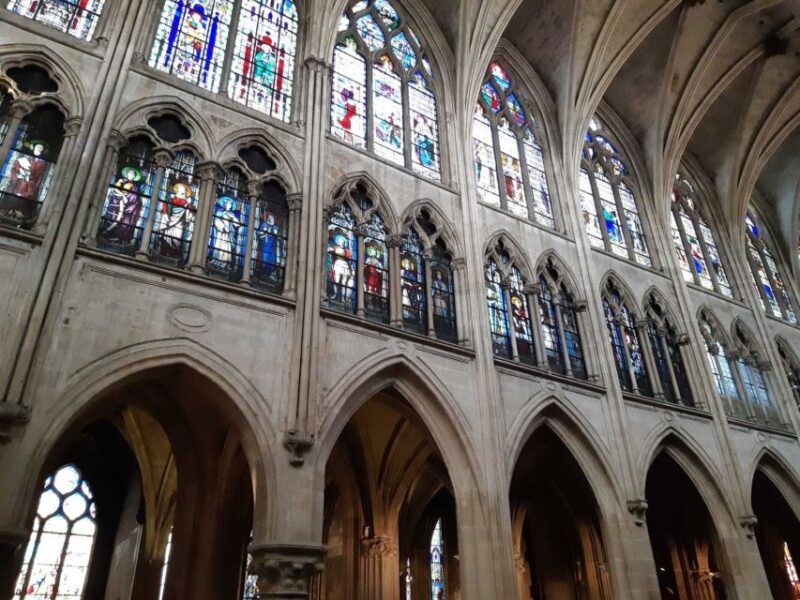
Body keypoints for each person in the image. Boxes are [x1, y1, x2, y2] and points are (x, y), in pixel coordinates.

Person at [0, 139, 50, 221]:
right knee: (13, 198)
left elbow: (39, 178)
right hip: (17, 184)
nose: (39, 149)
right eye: (38, 147)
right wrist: (19, 172)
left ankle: (20, 214)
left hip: (29, 187)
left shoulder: (42, 163)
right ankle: (7, 210)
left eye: (41, 148)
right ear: (33, 147)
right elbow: (14, 169)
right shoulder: (23, 158)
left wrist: (30, 177)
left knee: (24, 200)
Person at [101, 165, 144, 245]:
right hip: (118, 201)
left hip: (130, 207)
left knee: (127, 222)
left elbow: (137, 197)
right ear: (127, 174)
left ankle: (120, 238)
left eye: (134, 174)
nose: (133, 175)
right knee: (115, 219)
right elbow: (115, 189)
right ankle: (107, 234)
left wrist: (138, 204)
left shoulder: (136, 186)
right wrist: (123, 196)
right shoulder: (121, 181)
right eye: (131, 174)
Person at [154, 181, 196, 260]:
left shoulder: (187, 201)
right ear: (177, 191)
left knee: (177, 237)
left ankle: (175, 253)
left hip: (179, 223)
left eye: (184, 190)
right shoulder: (171, 198)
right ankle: (164, 251)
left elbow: (192, 211)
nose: (182, 192)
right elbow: (165, 205)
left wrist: (189, 204)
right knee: (167, 236)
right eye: (180, 190)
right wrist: (165, 214)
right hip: (170, 220)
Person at [208, 195, 242, 271]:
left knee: (227, 248)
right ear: (225, 204)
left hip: (228, 234)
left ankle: (226, 264)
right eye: (229, 204)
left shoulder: (232, 214)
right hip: (221, 233)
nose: (230, 205)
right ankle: (216, 261)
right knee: (219, 246)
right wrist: (223, 227)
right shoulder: (220, 212)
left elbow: (237, 223)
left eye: (231, 204)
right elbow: (216, 220)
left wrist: (235, 220)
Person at [328, 231, 353, 304]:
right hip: (338, 264)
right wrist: (330, 249)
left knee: (344, 282)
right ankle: (335, 294)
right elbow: (330, 250)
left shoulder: (346, 251)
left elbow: (350, 258)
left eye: (344, 242)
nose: (343, 243)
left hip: (345, 265)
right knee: (337, 281)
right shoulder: (335, 248)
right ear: (338, 242)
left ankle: (343, 298)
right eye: (341, 242)